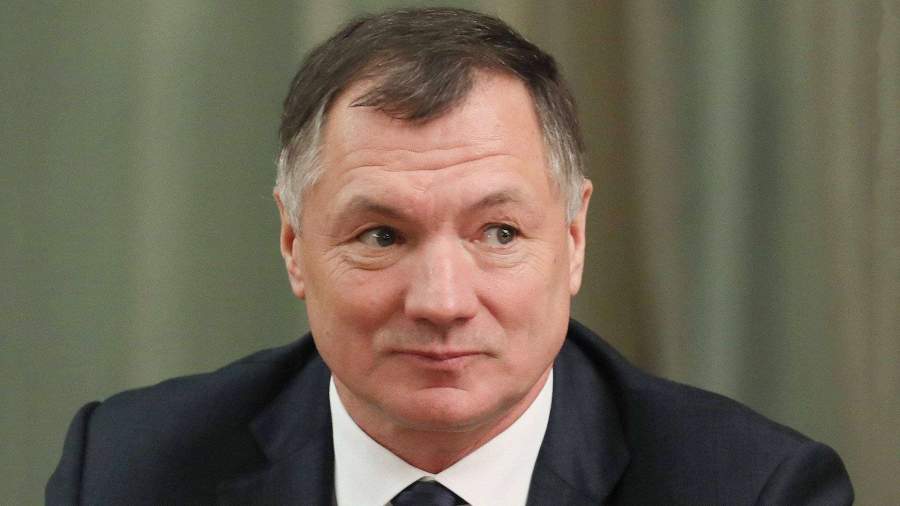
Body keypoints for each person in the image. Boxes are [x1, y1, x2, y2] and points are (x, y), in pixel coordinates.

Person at [46, 7, 853, 505]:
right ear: (295, 247)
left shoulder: (752, 489)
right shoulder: (126, 473)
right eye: (382, 236)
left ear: (573, 240)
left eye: (498, 233)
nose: (441, 301)